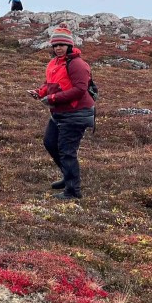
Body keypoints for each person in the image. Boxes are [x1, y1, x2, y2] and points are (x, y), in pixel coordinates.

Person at [28, 24, 95, 200]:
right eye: (55, 45)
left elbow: (80, 89)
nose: (58, 48)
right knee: (50, 143)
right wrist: (40, 92)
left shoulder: (78, 64)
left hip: (76, 113)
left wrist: (52, 99)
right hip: (59, 113)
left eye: (62, 45)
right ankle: (68, 177)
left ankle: (73, 191)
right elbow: (49, 83)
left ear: (69, 46)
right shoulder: (54, 63)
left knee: (67, 151)